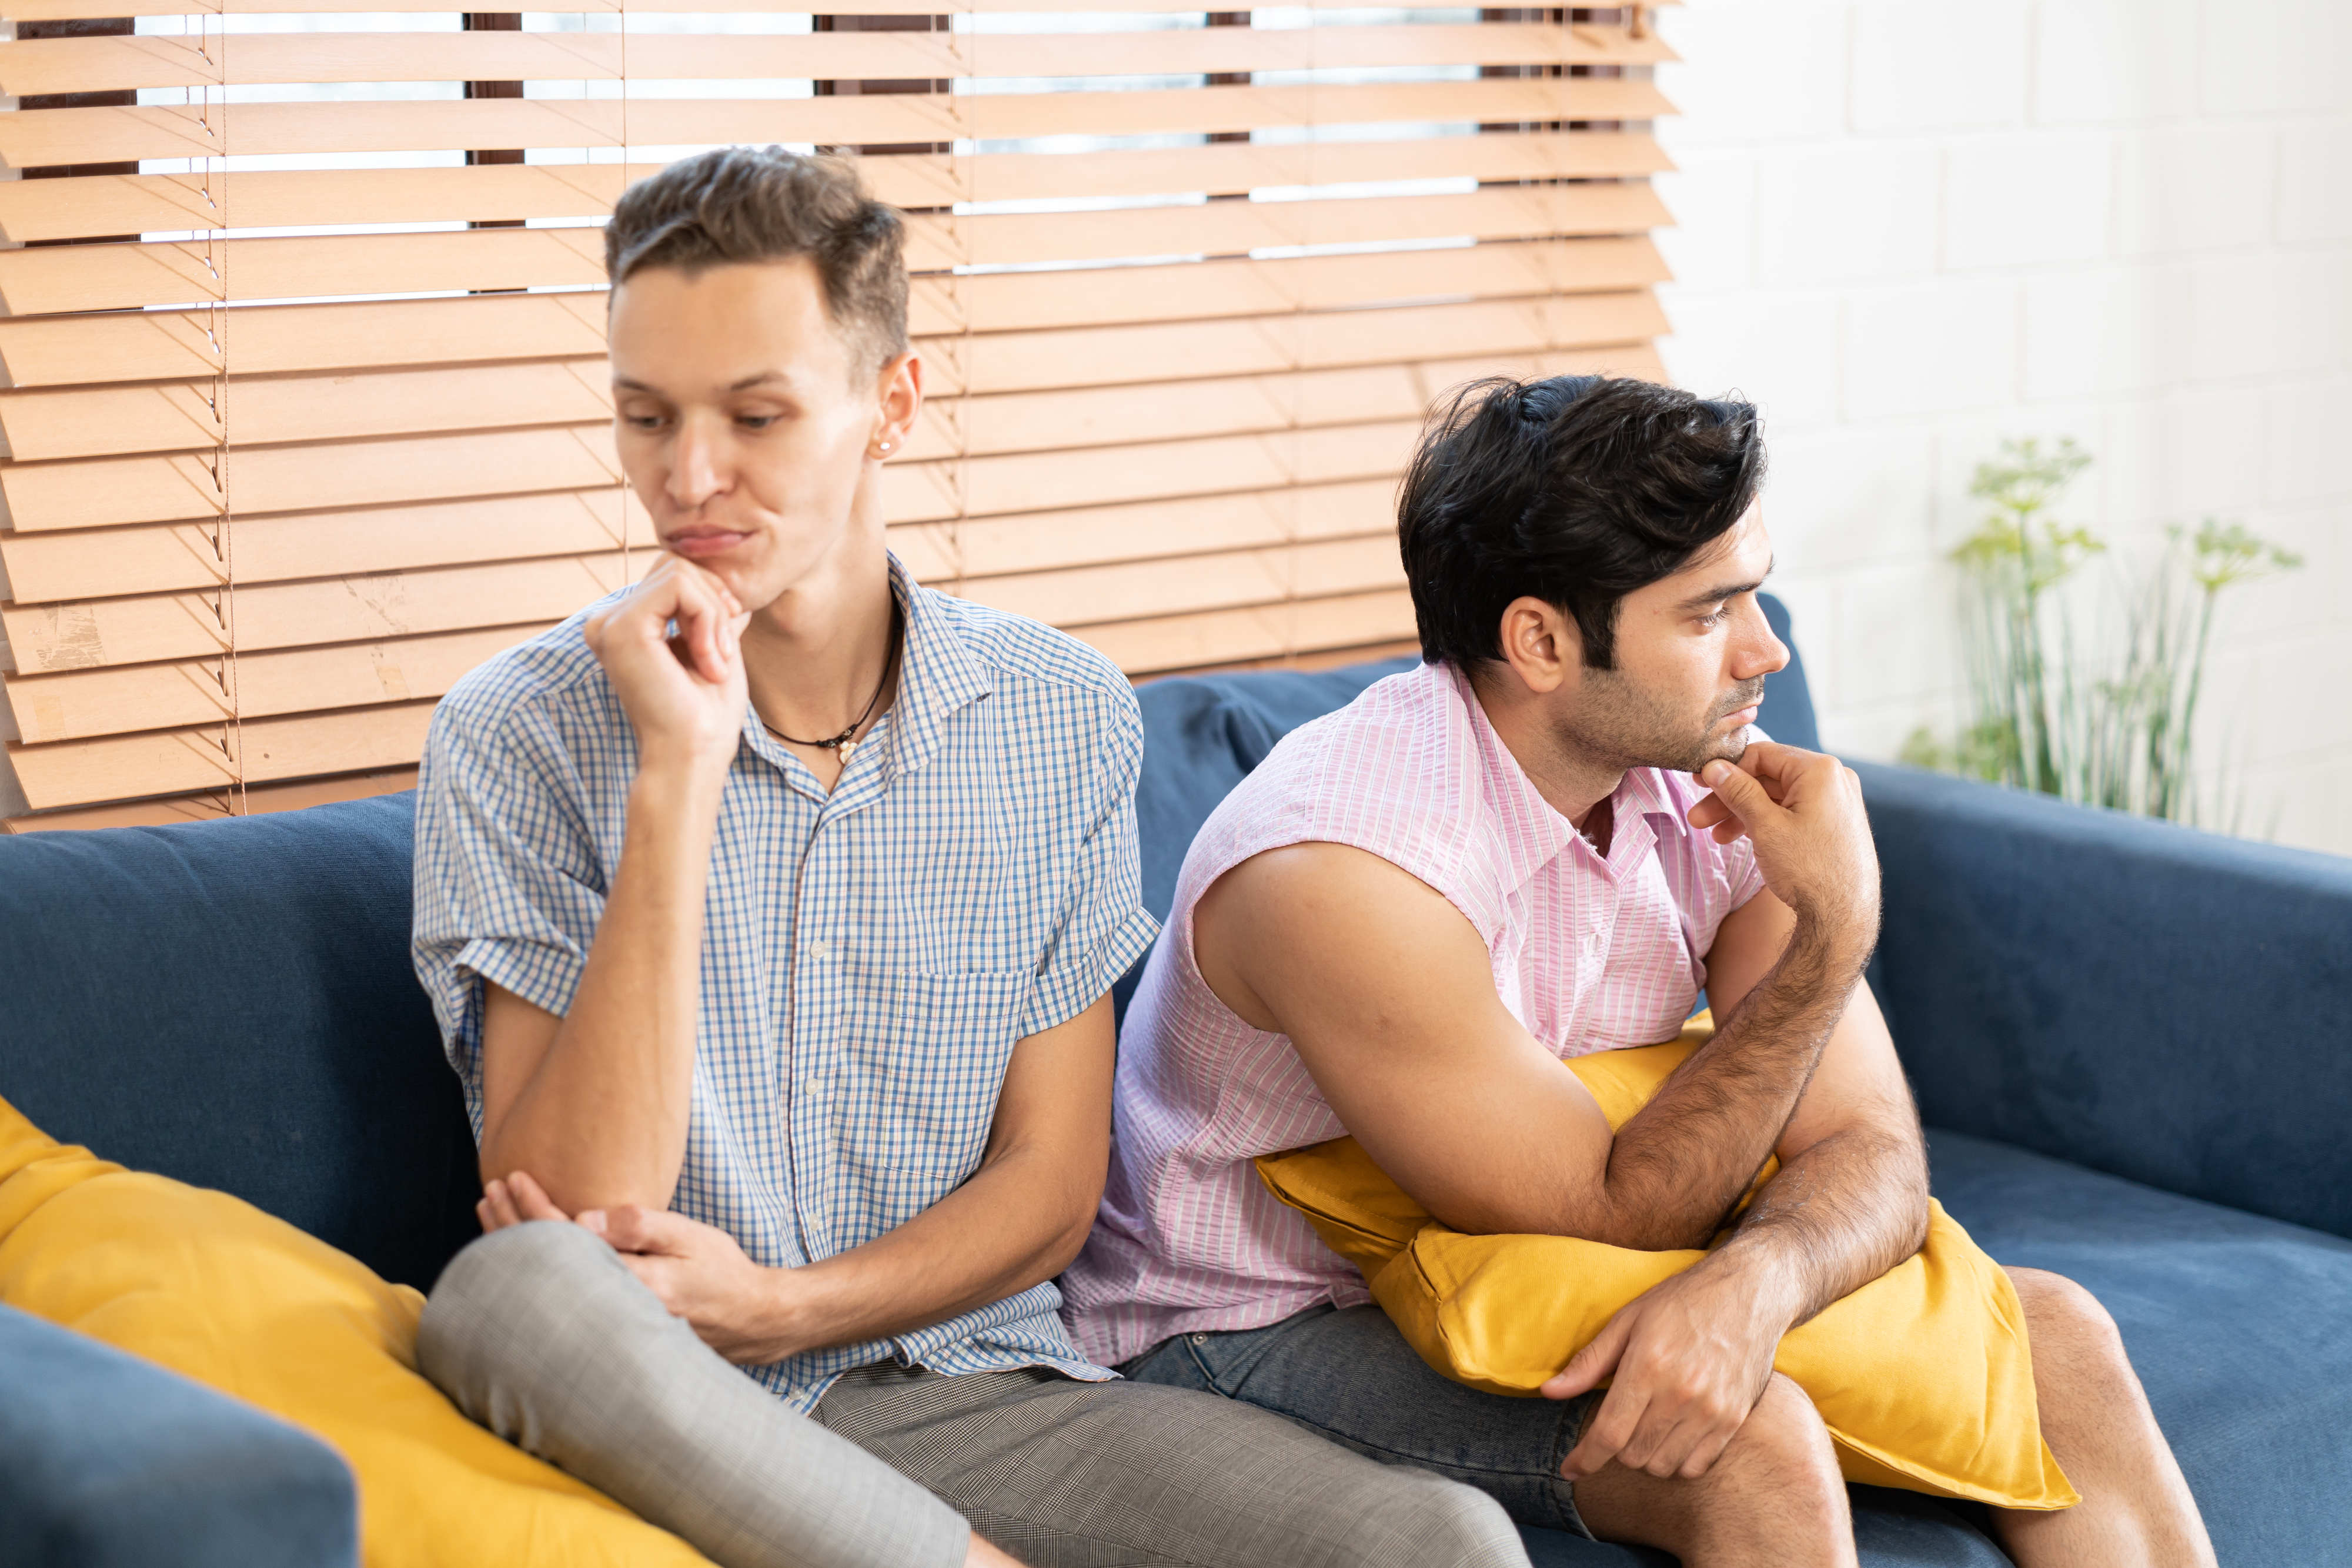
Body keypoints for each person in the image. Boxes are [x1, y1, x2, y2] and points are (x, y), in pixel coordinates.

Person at [407, 146, 1531, 1568]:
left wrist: (786, 1303)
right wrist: (677, 776)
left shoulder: (1055, 715)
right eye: (644, 417)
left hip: (968, 1393)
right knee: (518, 1297)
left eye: (756, 414)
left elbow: (1049, 1184)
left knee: (1439, 1540)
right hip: (659, 1402)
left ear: (892, 404)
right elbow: (577, 1222)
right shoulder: (519, 732)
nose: (688, 477)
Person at [1060, 375, 2220, 1568]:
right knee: (1739, 1433)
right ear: (1542, 640)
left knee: (2059, 1341)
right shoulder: (1346, 871)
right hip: (1254, 1320)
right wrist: (1830, 936)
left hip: (1534, 1255)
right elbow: (1610, 1206)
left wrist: (1755, 1283)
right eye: (1709, 613)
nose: (1765, 651)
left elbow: (1871, 1148)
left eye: (1754, 594)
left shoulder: (1710, 784)